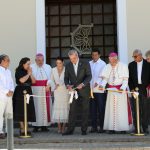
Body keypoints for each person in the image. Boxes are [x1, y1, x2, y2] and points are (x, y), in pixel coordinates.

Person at [99, 52, 132, 133]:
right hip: (111, 91)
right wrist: (102, 85)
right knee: (111, 110)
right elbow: (105, 79)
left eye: (113, 61)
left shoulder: (123, 66)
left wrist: (123, 88)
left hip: (120, 90)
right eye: (110, 61)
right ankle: (111, 128)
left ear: (116, 59)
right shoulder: (107, 66)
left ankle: (122, 128)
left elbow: (125, 79)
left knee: (121, 110)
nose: (111, 63)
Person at [63, 50, 92, 136]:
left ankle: (84, 130)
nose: (72, 60)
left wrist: (83, 84)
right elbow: (66, 78)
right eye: (71, 59)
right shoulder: (68, 65)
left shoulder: (85, 63)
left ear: (77, 56)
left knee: (85, 110)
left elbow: (89, 76)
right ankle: (70, 130)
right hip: (73, 91)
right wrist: (68, 85)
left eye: (74, 58)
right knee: (72, 110)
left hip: (84, 90)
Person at [129, 49, 150, 134]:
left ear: (140, 55)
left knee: (145, 109)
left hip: (144, 88)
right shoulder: (131, 65)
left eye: (135, 56)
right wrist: (132, 89)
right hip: (135, 89)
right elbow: (129, 79)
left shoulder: (148, 64)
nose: (134, 58)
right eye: (133, 56)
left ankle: (145, 127)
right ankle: (137, 128)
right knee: (135, 109)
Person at [13, 57, 36, 136]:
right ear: (23, 64)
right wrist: (28, 74)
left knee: (27, 109)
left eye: (29, 64)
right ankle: (22, 128)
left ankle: (26, 127)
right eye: (28, 64)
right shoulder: (18, 71)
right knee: (21, 110)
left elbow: (33, 81)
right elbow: (21, 80)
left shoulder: (28, 71)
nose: (29, 66)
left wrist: (31, 73)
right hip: (20, 91)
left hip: (28, 90)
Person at [31, 53, 52, 132]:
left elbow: (51, 77)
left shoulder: (48, 67)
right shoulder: (31, 67)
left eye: (42, 60)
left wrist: (49, 85)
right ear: (35, 60)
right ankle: (36, 126)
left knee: (45, 108)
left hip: (45, 89)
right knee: (36, 108)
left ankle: (44, 126)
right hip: (35, 90)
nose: (40, 62)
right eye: (39, 60)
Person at [89, 48, 106, 133]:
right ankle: (94, 127)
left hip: (99, 90)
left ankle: (102, 127)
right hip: (91, 90)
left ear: (99, 55)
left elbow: (103, 76)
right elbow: (88, 75)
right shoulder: (89, 63)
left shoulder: (103, 64)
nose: (94, 56)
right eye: (93, 55)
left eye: (96, 55)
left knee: (101, 109)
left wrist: (97, 83)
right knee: (93, 109)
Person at [51, 57, 70, 134]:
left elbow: (69, 79)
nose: (58, 64)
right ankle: (59, 126)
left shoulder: (67, 69)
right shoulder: (53, 70)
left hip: (65, 91)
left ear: (63, 62)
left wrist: (65, 84)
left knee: (65, 107)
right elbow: (51, 80)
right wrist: (54, 85)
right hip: (57, 91)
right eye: (57, 63)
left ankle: (63, 127)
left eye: (60, 63)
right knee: (57, 108)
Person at [0, 54, 14, 139]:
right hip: (1, 95)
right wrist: (6, 91)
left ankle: (9, 131)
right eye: (7, 60)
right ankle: (0, 131)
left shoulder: (8, 71)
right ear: (2, 61)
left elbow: (11, 82)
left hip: (9, 96)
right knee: (0, 114)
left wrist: (12, 90)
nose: (9, 62)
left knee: (9, 114)